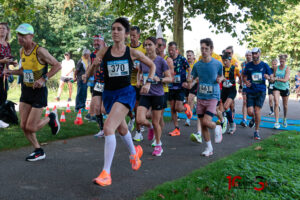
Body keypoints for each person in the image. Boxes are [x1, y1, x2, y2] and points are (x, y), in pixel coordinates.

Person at [87, 17, 156, 186]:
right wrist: (94, 65)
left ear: (126, 34)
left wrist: (148, 82)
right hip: (109, 95)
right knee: (122, 127)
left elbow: (152, 66)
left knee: (108, 127)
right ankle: (134, 154)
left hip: (126, 93)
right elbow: (89, 73)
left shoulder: (132, 52)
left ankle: (106, 173)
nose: (115, 32)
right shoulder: (104, 51)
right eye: (113, 29)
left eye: (119, 29)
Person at [3, 23, 61, 161]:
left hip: (39, 92)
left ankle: (51, 118)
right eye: (18, 36)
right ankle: (38, 150)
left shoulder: (40, 51)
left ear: (31, 36)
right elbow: (23, 71)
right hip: (26, 90)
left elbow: (58, 65)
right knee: (23, 125)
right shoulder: (22, 51)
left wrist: (43, 78)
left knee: (31, 127)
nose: (20, 39)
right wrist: (10, 71)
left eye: (23, 36)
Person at [136, 37, 172, 156]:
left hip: (157, 94)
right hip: (146, 94)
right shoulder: (143, 60)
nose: (147, 47)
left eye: (150, 45)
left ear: (156, 46)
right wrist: (139, 81)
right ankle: (149, 126)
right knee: (140, 119)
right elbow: (139, 73)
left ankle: (158, 145)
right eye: (145, 45)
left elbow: (170, 78)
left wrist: (160, 79)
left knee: (157, 122)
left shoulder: (161, 61)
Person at [190, 38, 223, 157]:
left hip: (213, 96)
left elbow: (222, 76)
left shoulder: (217, 64)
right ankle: (209, 148)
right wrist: (189, 80)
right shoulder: (197, 65)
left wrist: (220, 79)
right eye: (202, 49)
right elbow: (192, 78)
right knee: (203, 125)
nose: (203, 51)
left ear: (211, 50)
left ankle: (217, 126)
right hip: (201, 97)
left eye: (206, 49)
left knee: (206, 121)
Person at [243, 47, 272, 140]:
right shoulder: (248, 65)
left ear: (259, 54)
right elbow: (244, 76)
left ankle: (256, 131)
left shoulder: (264, 65)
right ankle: (254, 118)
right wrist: (245, 81)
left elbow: (272, 78)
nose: (254, 55)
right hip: (250, 91)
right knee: (250, 112)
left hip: (261, 91)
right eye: (253, 54)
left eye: (256, 53)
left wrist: (268, 77)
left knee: (257, 111)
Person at [167, 41, 193, 136]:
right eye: (169, 50)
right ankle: (176, 128)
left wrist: (188, 80)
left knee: (178, 108)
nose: (171, 52)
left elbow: (189, 69)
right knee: (172, 109)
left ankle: (186, 107)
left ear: (176, 50)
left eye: (173, 50)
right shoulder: (167, 60)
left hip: (180, 86)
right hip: (171, 87)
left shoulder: (182, 59)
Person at [127, 26, 147, 141]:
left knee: (137, 107)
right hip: (127, 81)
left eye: (134, 35)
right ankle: (133, 118)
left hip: (138, 82)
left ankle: (139, 132)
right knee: (126, 106)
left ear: (139, 36)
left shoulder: (143, 49)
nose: (132, 38)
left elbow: (148, 63)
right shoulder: (127, 48)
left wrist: (140, 68)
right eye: (131, 35)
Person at [84, 34, 106, 137]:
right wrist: (86, 75)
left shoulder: (108, 52)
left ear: (103, 42)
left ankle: (117, 123)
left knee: (104, 109)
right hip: (98, 83)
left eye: (98, 41)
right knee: (97, 108)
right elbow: (89, 67)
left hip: (108, 83)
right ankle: (102, 130)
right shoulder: (92, 55)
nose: (96, 43)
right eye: (94, 41)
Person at [156, 37, 174, 139]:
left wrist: (159, 77)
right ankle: (155, 132)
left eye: (159, 45)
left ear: (164, 47)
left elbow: (171, 78)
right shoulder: (152, 57)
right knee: (151, 115)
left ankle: (157, 138)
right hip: (152, 90)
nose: (156, 47)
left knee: (159, 116)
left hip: (163, 90)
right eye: (156, 45)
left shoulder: (168, 60)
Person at [219, 52, 241, 134]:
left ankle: (232, 124)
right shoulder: (222, 69)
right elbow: (219, 77)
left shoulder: (235, 69)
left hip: (232, 90)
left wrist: (241, 86)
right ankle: (230, 122)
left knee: (226, 106)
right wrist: (221, 79)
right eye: (223, 60)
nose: (225, 62)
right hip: (224, 90)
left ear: (230, 60)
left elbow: (240, 76)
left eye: (226, 61)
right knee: (225, 108)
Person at [271, 54, 290, 129]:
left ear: (285, 61)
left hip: (285, 88)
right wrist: (271, 77)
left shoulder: (287, 68)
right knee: (276, 102)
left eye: (283, 61)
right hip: (277, 87)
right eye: (280, 61)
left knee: (285, 105)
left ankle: (284, 118)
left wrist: (276, 79)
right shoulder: (276, 67)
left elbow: (285, 80)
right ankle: (276, 122)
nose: (281, 63)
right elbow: (273, 75)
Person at [0, 22, 13, 106]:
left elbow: (8, 57)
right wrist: (2, 61)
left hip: (4, 76)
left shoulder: (7, 44)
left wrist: (12, 62)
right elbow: (3, 60)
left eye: (3, 28)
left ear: (7, 31)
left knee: (3, 98)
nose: (1, 30)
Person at [239, 51, 252, 127]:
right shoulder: (243, 64)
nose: (248, 56)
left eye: (249, 55)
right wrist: (240, 86)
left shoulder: (254, 63)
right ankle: (244, 119)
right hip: (245, 85)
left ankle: (252, 118)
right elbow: (241, 75)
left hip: (252, 85)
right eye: (247, 55)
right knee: (244, 102)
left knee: (251, 103)